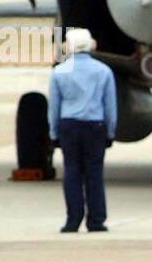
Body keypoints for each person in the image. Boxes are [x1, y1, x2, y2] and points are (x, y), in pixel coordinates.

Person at [48, 27, 116, 233]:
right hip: (95, 126)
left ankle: (72, 220)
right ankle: (96, 220)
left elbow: (54, 107)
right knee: (94, 173)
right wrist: (110, 132)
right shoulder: (103, 71)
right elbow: (110, 106)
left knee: (72, 172)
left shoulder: (59, 72)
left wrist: (53, 133)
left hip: (69, 126)